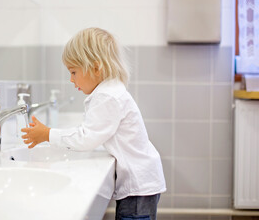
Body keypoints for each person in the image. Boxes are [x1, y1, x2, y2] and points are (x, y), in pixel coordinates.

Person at [21, 27, 166, 220]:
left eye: (73, 72)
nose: (71, 80)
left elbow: (86, 138)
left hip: (137, 187)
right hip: (141, 181)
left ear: (96, 68)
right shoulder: (110, 92)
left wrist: (48, 134)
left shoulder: (107, 97)